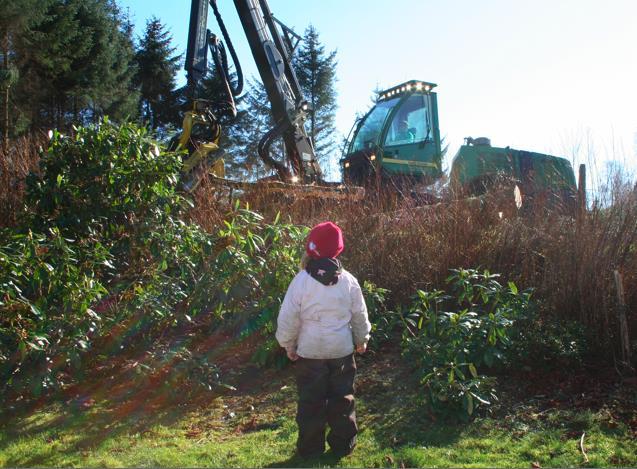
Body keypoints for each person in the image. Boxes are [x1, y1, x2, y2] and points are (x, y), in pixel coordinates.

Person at [276, 221, 371, 459]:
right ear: (338, 249)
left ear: (310, 248)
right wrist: (361, 338)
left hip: (310, 353)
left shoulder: (301, 281)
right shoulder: (348, 280)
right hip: (341, 351)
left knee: (311, 402)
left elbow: (289, 316)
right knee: (342, 399)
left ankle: (309, 450)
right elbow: (359, 313)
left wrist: (288, 343)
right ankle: (342, 445)